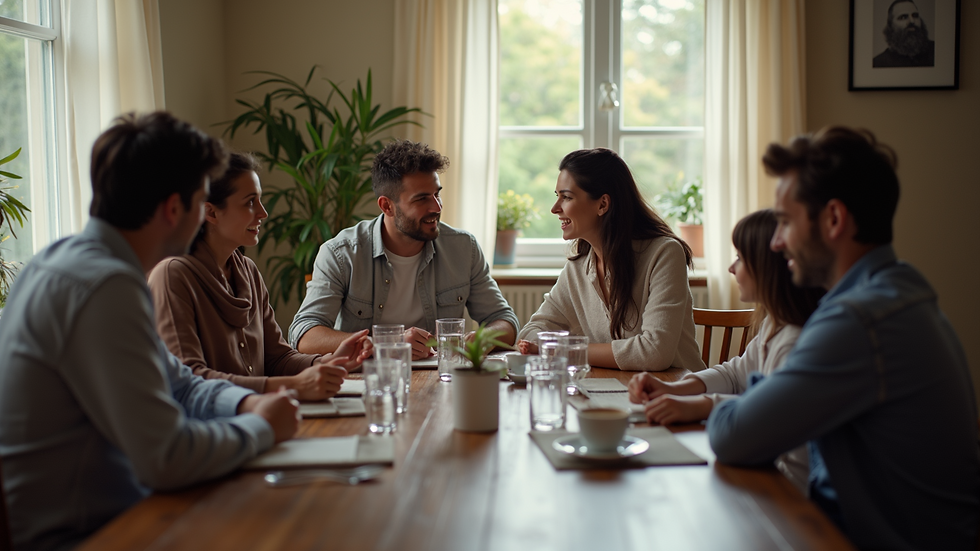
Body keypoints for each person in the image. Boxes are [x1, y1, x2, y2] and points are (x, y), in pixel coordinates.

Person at [0, 112, 301, 551]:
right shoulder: (105, 287)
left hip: (129, 514)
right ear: (174, 209)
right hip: (96, 534)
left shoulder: (64, 261)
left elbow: (179, 383)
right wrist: (260, 428)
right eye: (202, 202)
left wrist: (248, 401)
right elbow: (167, 458)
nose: (204, 216)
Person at [707, 127, 979, 550]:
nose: (777, 243)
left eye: (784, 221)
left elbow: (733, 435)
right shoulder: (898, 289)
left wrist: (757, 396)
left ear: (833, 219)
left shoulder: (856, 322)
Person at [627, 209, 823, 492]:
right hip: (767, 473)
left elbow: (765, 424)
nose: (732, 268)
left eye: (740, 258)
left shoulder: (793, 342)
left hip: (788, 490)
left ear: (768, 267)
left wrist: (698, 405)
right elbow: (734, 374)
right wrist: (673, 389)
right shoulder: (773, 325)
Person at [148, 152, 371, 401]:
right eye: (250, 202)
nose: (263, 213)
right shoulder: (173, 276)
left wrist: (330, 361)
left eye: (260, 200)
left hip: (263, 417)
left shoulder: (248, 271)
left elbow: (278, 358)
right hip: (212, 430)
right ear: (210, 213)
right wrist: (293, 386)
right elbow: (191, 379)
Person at [288, 140, 519, 360]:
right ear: (387, 205)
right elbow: (304, 334)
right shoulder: (341, 254)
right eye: (421, 199)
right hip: (369, 380)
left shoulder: (463, 248)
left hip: (440, 380)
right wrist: (390, 343)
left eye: (437, 194)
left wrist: (483, 338)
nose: (436, 208)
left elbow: (504, 320)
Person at [516, 148, 704, 372]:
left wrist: (564, 349)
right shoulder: (578, 266)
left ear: (603, 204)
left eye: (566, 197)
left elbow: (654, 353)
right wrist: (557, 346)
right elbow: (531, 331)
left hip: (675, 396)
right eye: (557, 196)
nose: (555, 208)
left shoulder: (664, 254)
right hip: (616, 392)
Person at [873, 0, 935, 68]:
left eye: (915, 15)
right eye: (903, 17)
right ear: (891, 26)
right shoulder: (879, 63)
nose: (912, 21)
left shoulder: (936, 51)